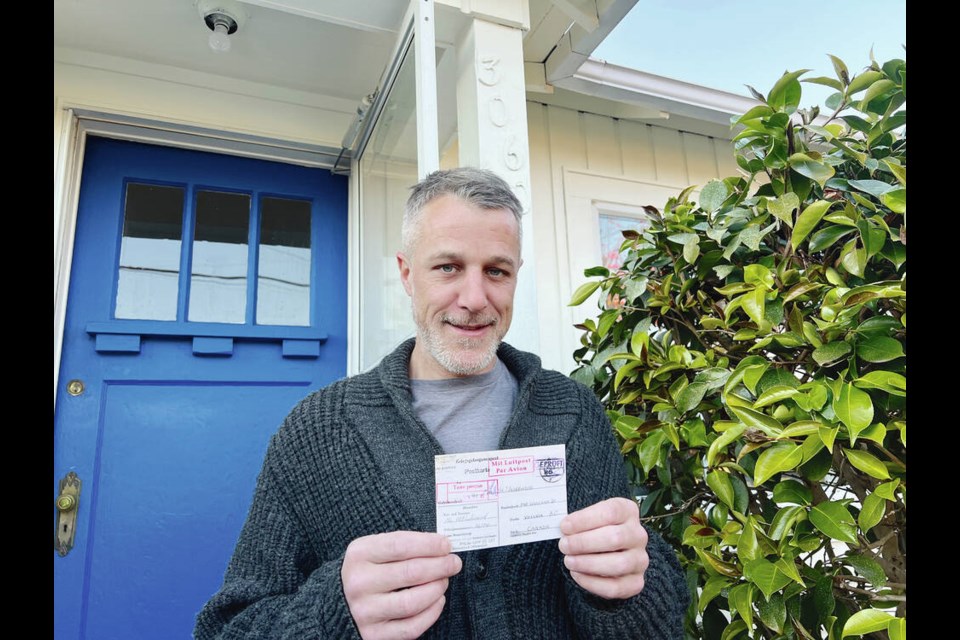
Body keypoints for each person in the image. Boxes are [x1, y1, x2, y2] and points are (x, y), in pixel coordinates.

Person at [194, 168, 689, 639]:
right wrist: (333, 612)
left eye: (496, 271)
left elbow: (651, 622)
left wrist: (628, 588)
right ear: (407, 274)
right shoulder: (317, 432)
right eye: (448, 267)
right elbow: (229, 626)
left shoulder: (573, 413)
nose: (474, 297)